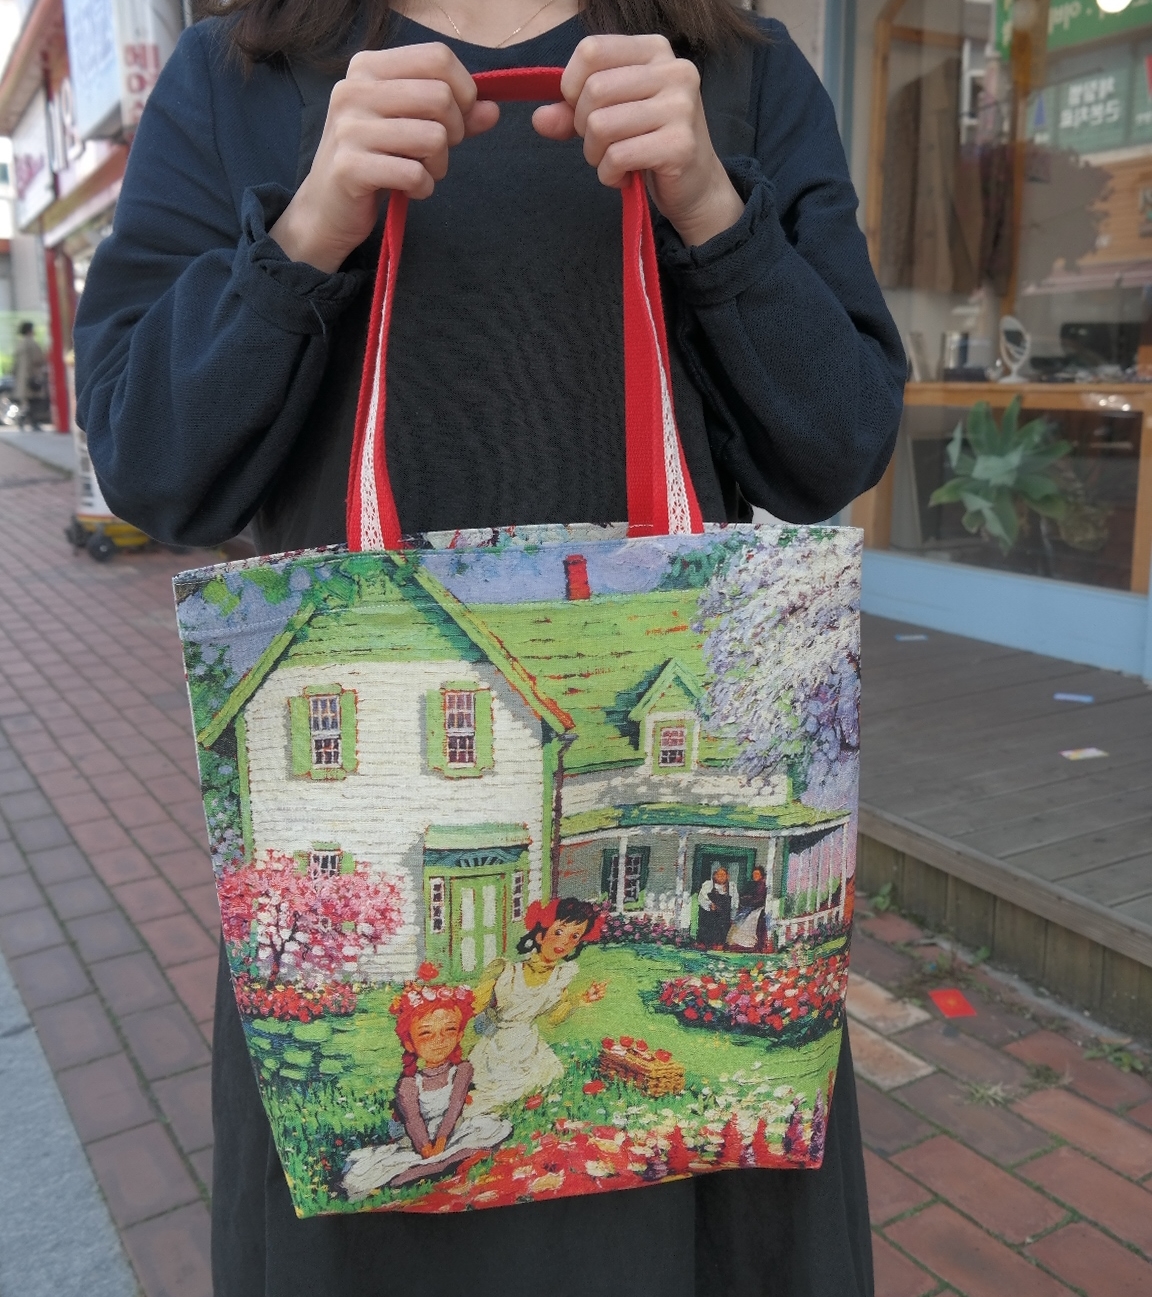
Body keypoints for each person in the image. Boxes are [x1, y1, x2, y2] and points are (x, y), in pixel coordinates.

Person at [73, 0, 903, 1292]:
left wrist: (711, 207)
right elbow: (145, 461)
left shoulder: (736, 71)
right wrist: (305, 233)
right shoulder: (243, 75)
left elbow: (839, 442)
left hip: (692, 1161)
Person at [342, 975, 512, 1200]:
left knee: (490, 1128)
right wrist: (427, 1151)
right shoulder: (409, 1084)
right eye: (426, 1034)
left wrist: (441, 1142)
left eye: (449, 1030)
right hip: (415, 1144)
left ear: (460, 1035)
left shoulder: (462, 1071)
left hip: (449, 1135)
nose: (439, 1041)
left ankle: (438, 1165)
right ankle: (430, 1167)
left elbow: (454, 1109)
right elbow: (413, 1122)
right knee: (373, 1171)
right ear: (410, 1043)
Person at [468, 897, 606, 1110]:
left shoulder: (560, 977)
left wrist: (582, 1000)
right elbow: (473, 1006)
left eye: (574, 936)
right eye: (558, 932)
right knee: (491, 1092)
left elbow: (554, 1017)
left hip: (528, 1046)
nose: (564, 942)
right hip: (497, 1044)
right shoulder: (507, 972)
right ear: (541, 935)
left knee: (539, 1085)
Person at [12, 322, 47, 428]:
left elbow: (15, 364)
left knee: (28, 401)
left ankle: (23, 418)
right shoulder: (32, 343)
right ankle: (33, 421)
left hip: (22, 377)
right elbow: (38, 359)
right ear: (30, 330)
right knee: (35, 401)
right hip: (32, 376)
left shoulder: (20, 344)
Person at [727, 863, 767, 951]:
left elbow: (758, 899)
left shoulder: (761, 885)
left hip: (754, 907)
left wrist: (748, 900)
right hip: (748, 905)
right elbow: (744, 895)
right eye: (754, 874)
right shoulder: (752, 884)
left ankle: (739, 942)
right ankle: (731, 941)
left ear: (761, 875)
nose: (755, 876)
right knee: (738, 918)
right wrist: (745, 899)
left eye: (757, 874)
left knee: (742, 919)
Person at [696, 865, 736, 949]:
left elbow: (735, 902)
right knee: (707, 927)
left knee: (723, 928)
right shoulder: (708, 885)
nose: (721, 877)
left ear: (727, 876)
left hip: (724, 915)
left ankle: (719, 945)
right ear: (715, 876)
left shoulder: (731, 887)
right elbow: (701, 898)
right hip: (709, 913)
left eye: (723, 875)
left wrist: (733, 916)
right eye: (719, 875)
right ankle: (704, 944)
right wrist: (710, 904)